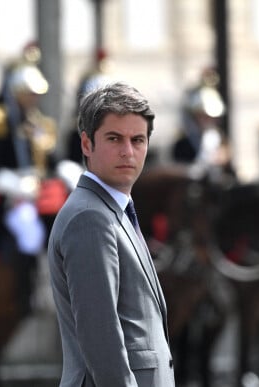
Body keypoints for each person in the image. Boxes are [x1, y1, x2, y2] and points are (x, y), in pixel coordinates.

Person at [47, 82, 175, 386]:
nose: (128, 152)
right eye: (114, 138)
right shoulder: (90, 217)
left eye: (138, 140)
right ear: (87, 144)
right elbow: (101, 336)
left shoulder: (114, 209)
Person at [0, 42, 58, 182]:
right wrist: (10, 181)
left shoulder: (40, 121)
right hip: (12, 188)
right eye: (30, 93)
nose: (35, 98)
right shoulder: (0, 119)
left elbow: (50, 160)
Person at [171, 67, 235, 178]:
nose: (208, 121)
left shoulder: (220, 139)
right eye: (203, 117)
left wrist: (224, 160)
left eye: (211, 118)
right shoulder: (183, 142)